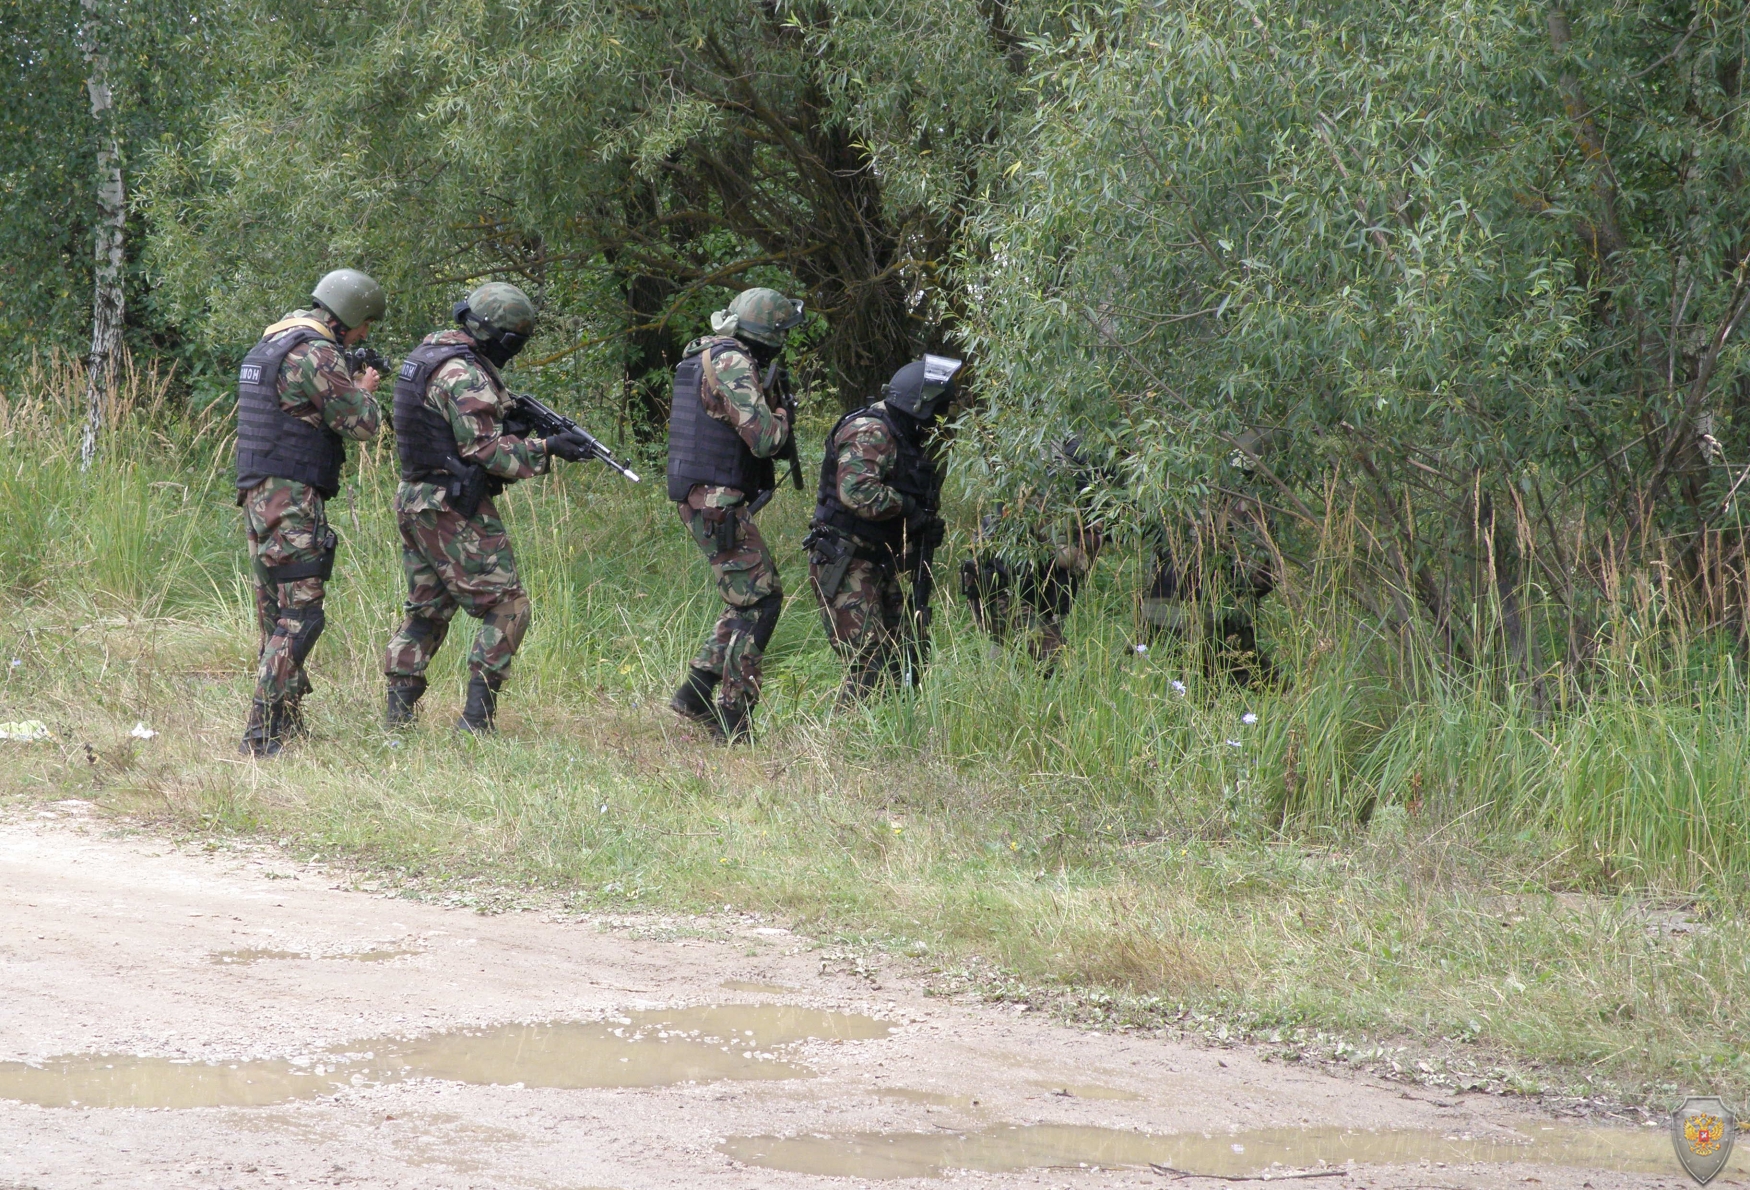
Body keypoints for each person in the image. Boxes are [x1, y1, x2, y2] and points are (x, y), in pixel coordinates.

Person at [382, 281, 597, 731]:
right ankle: (477, 721)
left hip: (417, 499)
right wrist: (548, 447)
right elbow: (487, 453)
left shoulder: (427, 354)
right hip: (452, 506)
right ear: (503, 337)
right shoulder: (463, 372)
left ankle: (397, 720)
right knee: (508, 606)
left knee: (427, 609)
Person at [235, 268, 385, 757]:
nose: (364, 334)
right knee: (302, 615)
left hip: (258, 494)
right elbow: (362, 426)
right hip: (291, 497)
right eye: (364, 325)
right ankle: (261, 732)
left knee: (274, 614)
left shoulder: (270, 344)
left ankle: (287, 722)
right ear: (348, 315)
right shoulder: (315, 352)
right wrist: (364, 388)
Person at [665, 287, 805, 744]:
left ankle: (696, 690)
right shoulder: (731, 362)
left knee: (746, 596)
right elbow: (764, 439)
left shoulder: (706, 355)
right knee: (762, 600)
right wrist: (784, 413)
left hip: (706, 497)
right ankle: (733, 714)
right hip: (715, 500)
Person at [805, 355, 962, 705]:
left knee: (906, 654)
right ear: (919, 407)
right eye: (939, 410)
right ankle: (846, 744)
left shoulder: (914, 441)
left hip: (879, 562)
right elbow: (858, 493)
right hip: (845, 561)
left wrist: (920, 529)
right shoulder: (870, 430)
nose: (944, 420)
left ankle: (891, 743)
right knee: (869, 662)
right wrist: (908, 510)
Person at [961, 437, 1104, 672]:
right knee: (1061, 668)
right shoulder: (1043, 497)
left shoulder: (1064, 498)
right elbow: (1068, 557)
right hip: (1001, 589)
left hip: (1027, 593)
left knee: (1018, 662)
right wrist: (1090, 537)